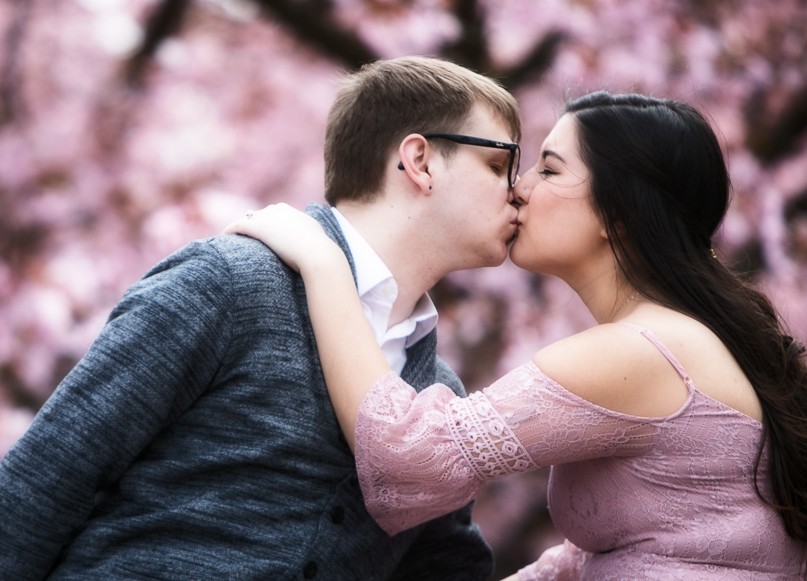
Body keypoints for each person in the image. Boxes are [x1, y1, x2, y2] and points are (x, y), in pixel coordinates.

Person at [229, 91, 807, 580]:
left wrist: (324, 265)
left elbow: (407, 465)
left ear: (616, 215)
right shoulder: (684, 340)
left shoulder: (641, 351)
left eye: (548, 169)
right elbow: (612, 553)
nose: (519, 191)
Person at [0, 56, 522, 579]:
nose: (517, 192)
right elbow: (44, 481)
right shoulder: (228, 283)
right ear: (420, 161)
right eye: (499, 166)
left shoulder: (436, 396)